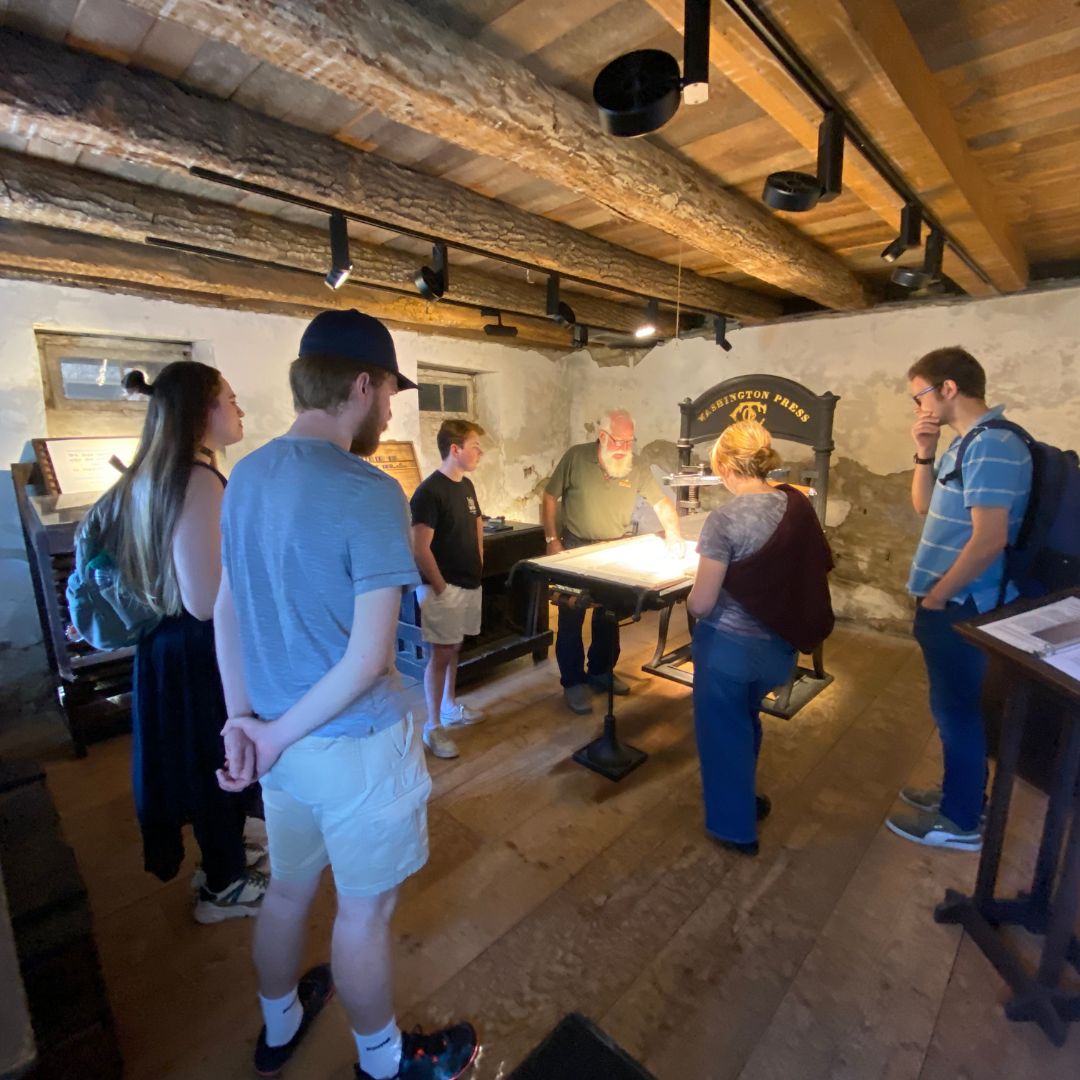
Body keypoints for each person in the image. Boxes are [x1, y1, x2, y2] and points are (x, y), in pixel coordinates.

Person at [213, 309, 478, 1080]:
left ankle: (279, 1022)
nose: (391, 408)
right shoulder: (370, 489)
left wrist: (249, 724)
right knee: (365, 914)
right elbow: (368, 659)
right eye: (391, 391)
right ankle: (386, 1061)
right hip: (354, 744)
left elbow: (226, 607)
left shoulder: (249, 474)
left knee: (290, 892)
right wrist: (263, 731)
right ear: (361, 386)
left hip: (281, 740)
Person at [81, 361, 266, 923]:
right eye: (231, 400)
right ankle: (222, 885)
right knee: (216, 763)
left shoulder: (156, 476)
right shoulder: (196, 479)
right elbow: (207, 600)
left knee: (203, 761)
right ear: (201, 411)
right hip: (195, 649)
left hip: (169, 647)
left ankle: (225, 863)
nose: (240, 411)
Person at [886, 346, 1031, 852]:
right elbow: (924, 504)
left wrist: (937, 598)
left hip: (960, 603)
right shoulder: (967, 443)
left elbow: (989, 538)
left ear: (948, 388)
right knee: (954, 709)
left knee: (957, 713)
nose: (917, 407)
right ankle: (960, 795)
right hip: (951, 600)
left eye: (919, 396)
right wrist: (924, 450)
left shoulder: (993, 445)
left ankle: (961, 820)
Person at [686, 421, 833, 856]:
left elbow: (702, 604)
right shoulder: (796, 503)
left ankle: (735, 828)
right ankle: (744, 796)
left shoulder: (724, 518)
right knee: (746, 721)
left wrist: (691, 590)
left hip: (730, 650)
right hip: (777, 648)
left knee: (721, 734)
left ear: (726, 466)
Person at [543, 408, 682, 714]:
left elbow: (661, 503)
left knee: (609, 617)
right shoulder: (576, 458)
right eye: (617, 441)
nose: (623, 448)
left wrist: (673, 534)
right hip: (575, 548)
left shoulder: (637, 466)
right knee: (571, 617)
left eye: (628, 441)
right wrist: (552, 540)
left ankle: (601, 673)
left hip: (614, 549)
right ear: (602, 436)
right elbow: (550, 497)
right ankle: (573, 682)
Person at [410, 419, 487, 760]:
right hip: (443, 587)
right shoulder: (429, 492)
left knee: (454, 647)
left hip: (468, 581)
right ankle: (433, 726)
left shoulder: (466, 485)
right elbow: (419, 546)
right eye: (475, 446)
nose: (479, 452)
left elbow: (476, 524)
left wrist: (479, 562)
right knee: (440, 654)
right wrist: (440, 586)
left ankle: (450, 706)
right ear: (455, 450)